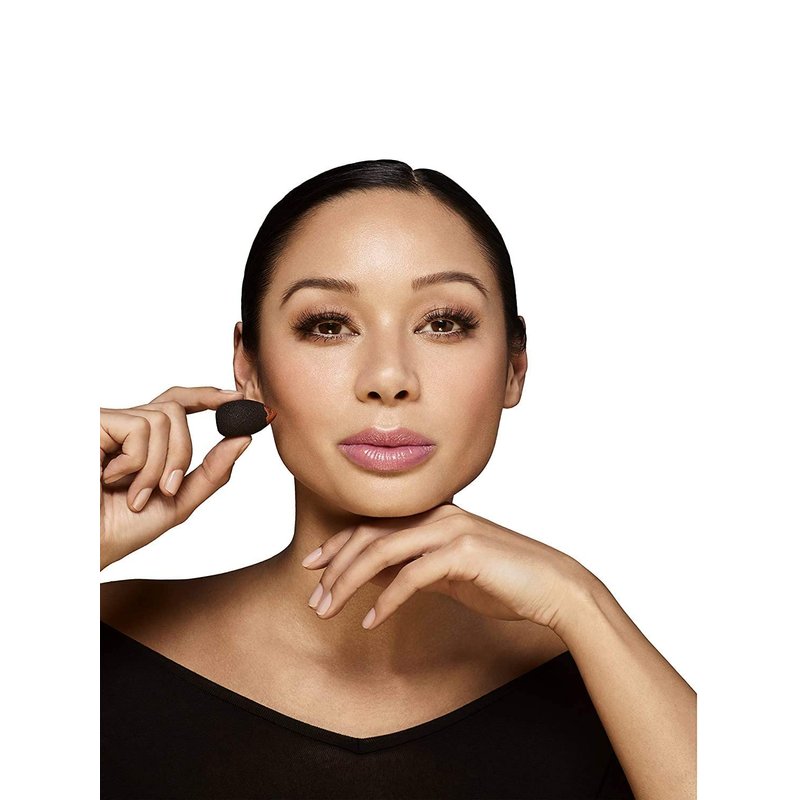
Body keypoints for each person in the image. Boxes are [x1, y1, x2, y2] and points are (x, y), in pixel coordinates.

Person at [100, 159, 695, 799]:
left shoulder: (609, 678)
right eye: (329, 326)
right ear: (249, 368)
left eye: (443, 323)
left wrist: (580, 600)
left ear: (514, 366)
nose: (389, 378)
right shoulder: (93, 641)